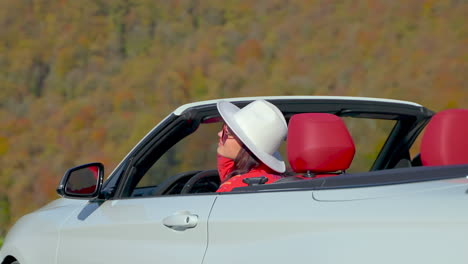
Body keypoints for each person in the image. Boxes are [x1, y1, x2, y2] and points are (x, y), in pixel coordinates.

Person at [215, 99, 288, 192]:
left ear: (247, 147)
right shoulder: (277, 178)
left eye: (227, 132)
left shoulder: (233, 188)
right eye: (224, 127)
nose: (219, 134)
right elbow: (227, 170)